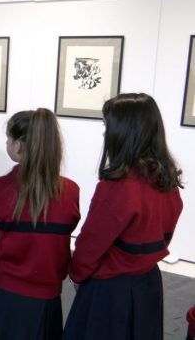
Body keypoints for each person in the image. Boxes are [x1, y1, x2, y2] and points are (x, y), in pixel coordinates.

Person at [62, 93, 183, 340]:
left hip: (110, 289)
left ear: (123, 132)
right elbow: (164, 236)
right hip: (148, 284)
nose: (106, 134)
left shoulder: (119, 186)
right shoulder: (166, 181)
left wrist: (77, 273)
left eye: (108, 127)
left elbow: (91, 243)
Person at [0, 109, 80, 340]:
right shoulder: (71, 192)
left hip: (1, 298)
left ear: (19, 145)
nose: (7, 143)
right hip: (46, 304)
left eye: (8, 138)